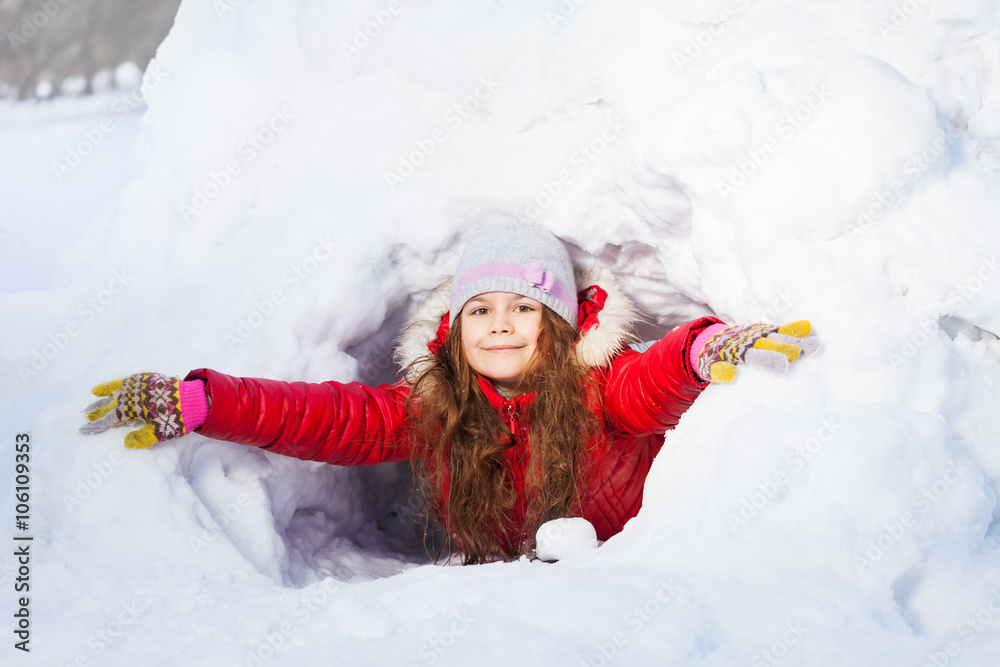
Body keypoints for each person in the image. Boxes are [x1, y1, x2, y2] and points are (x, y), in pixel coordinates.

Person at [80, 223, 817, 564]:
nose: (502, 326)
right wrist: (207, 401)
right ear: (456, 325)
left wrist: (703, 345)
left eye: (524, 309)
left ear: (558, 325)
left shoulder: (599, 386)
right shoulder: (438, 408)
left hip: (624, 575)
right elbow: (328, 418)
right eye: (482, 311)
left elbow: (655, 379)